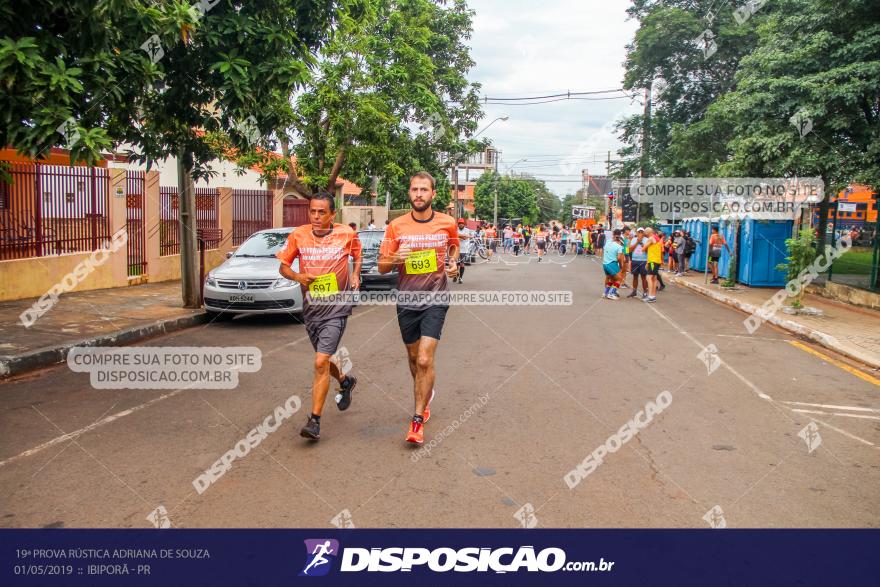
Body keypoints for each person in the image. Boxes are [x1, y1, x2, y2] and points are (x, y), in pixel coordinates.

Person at [378, 171, 459, 445]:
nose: (419, 194)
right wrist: (394, 256)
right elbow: (381, 267)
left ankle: (416, 420)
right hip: (407, 300)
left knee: (425, 359)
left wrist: (452, 263)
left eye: (424, 190)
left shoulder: (447, 223)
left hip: (436, 298)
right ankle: (425, 392)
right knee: (414, 360)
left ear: (433, 194)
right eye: (414, 189)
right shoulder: (396, 226)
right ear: (409, 193)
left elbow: (454, 248)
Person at [277, 191, 362, 441]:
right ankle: (346, 381)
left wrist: (355, 274)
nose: (316, 216)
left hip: (337, 307)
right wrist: (297, 277)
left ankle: (314, 421)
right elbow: (283, 266)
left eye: (321, 212)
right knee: (323, 361)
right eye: (312, 211)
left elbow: (358, 255)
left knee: (319, 362)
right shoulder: (298, 235)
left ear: (332, 214)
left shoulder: (347, 234)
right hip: (312, 308)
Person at [602, 229, 626, 299]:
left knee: (611, 279)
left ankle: (605, 293)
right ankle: (612, 293)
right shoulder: (619, 247)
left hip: (605, 264)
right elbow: (619, 258)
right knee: (619, 279)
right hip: (612, 264)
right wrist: (621, 266)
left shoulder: (608, 242)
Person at [627, 227, 649, 299]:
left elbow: (648, 251)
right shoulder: (633, 239)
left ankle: (645, 292)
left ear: (644, 233)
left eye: (641, 232)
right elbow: (629, 250)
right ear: (636, 233)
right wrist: (637, 242)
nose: (640, 233)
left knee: (643, 277)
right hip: (635, 260)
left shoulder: (647, 240)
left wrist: (642, 243)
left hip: (643, 260)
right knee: (635, 276)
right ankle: (634, 291)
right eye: (639, 232)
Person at [643, 227, 663, 303]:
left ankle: (650, 296)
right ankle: (653, 296)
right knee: (654, 278)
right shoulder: (657, 237)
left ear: (648, 233)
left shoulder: (651, 238)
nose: (645, 235)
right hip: (656, 260)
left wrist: (643, 246)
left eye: (645, 234)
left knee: (649, 278)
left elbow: (643, 249)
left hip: (653, 261)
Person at [456, 218, 473, 283]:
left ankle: (460, 278)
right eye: (459, 223)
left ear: (464, 224)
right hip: (456, 248)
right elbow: (456, 235)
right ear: (458, 224)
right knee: (456, 264)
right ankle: (456, 274)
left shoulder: (467, 230)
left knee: (462, 264)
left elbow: (466, 237)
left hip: (464, 249)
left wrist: (459, 236)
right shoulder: (456, 229)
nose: (460, 225)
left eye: (462, 223)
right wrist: (461, 236)